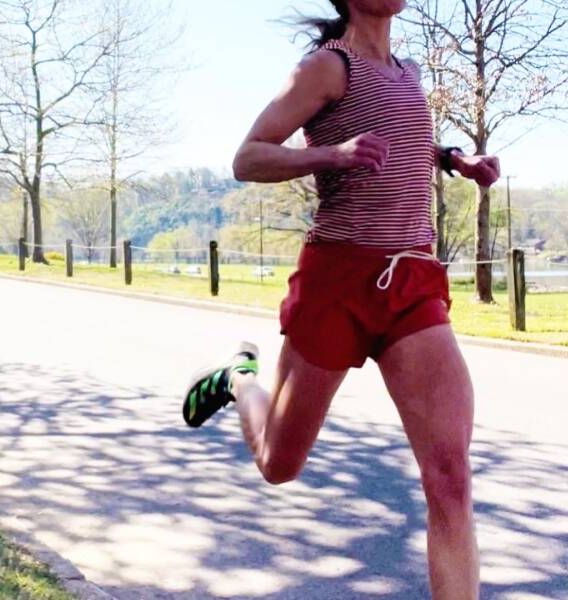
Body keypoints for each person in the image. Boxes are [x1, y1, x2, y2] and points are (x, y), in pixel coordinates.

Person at [181, 1, 501, 599]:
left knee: (451, 477)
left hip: (410, 282)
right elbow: (247, 156)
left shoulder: (407, 71)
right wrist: (330, 154)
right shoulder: (327, 67)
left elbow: (403, 142)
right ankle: (238, 381)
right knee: (279, 463)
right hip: (338, 282)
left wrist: (457, 160)